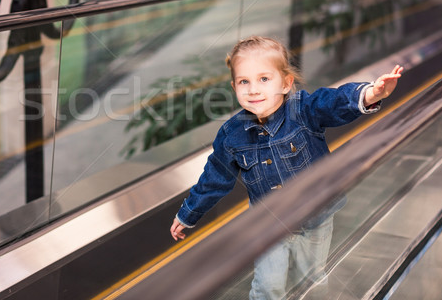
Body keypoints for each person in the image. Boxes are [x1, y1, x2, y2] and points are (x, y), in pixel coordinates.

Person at [169, 36, 403, 299]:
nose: (253, 90)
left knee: (311, 280)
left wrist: (372, 93)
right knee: (268, 286)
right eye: (244, 82)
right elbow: (215, 177)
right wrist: (187, 214)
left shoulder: (303, 110)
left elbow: (334, 101)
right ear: (234, 86)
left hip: (315, 219)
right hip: (268, 225)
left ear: (286, 83)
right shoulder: (231, 134)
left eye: (264, 79)